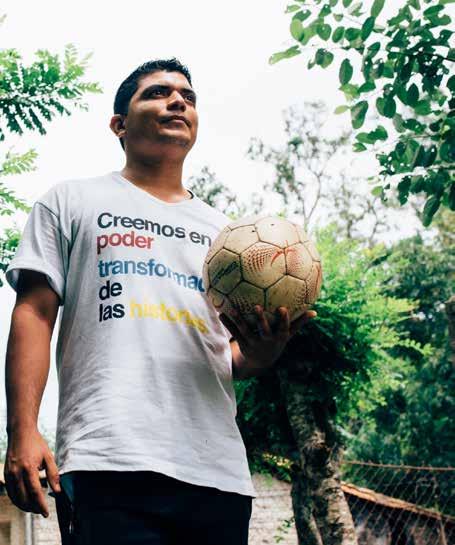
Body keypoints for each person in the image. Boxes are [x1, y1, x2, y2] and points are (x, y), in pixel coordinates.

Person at [3, 58, 316, 545]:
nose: (177, 102)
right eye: (157, 93)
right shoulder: (70, 201)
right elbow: (34, 314)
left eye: (188, 98)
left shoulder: (228, 237)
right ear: (119, 125)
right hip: (108, 458)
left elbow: (225, 355)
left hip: (216, 472)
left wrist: (262, 353)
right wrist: (22, 430)